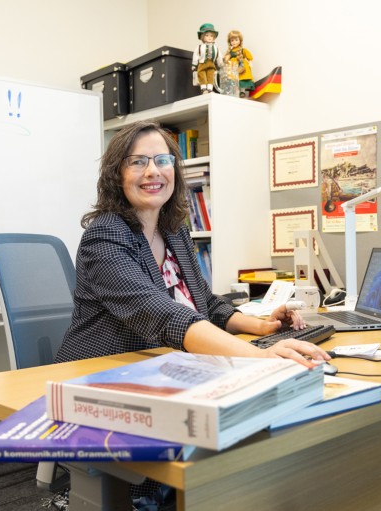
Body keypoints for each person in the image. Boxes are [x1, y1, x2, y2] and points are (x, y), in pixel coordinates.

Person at [55, 120, 329, 368]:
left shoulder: (174, 231)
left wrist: (262, 326)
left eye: (162, 160)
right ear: (117, 174)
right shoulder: (104, 237)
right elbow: (160, 313)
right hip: (98, 373)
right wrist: (260, 356)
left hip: (162, 367)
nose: (153, 171)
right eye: (138, 162)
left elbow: (205, 304)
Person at [223, 29, 255, 98]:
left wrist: (250, 62)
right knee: (234, 80)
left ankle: (242, 91)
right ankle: (235, 92)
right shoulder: (230, 52)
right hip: (233, 67)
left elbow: (249, 57)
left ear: (240, 41)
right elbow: (225, 59)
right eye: (232, 40)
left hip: (242, 66)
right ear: (230, 42)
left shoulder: (243, 50)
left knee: (242, 78)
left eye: (236, 40)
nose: (234, 42)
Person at [192, 23, 221, 94]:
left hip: (212, 64)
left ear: (214, 37)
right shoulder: (200, 47)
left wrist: (221, 65)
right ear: (202, 37)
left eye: (211, 36)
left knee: (211, 75)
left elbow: (219, 56)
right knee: (201, 74)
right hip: (202, 63)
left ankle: (210, 89)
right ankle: (203, 88)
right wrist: (194, 65)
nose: (209, 37)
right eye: (207, 35)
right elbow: (195, 56)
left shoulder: (216, 48)